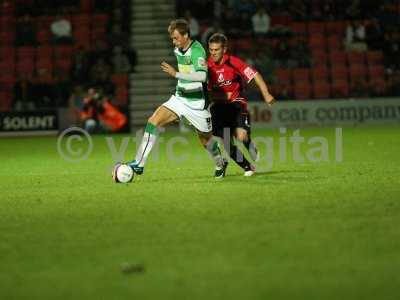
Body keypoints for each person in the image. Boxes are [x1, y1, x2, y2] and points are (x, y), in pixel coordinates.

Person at [125, 19, 226, 178]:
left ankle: (220, 162)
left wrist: (176, 74)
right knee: (153, 121)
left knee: (206, 140)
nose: (173, 41)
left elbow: (202, 75)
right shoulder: (178, 49)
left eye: (176, 38)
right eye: (172, 38)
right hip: (179, 99)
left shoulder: (197, 50)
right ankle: (139, 164)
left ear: (186, 35)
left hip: (197, 105)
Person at [207, 33, 275, 176]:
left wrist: (266, 94)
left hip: (236, 104)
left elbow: (255, 75)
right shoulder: (206, 66)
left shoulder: (233, 62)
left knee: (241, 135)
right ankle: (248, 167)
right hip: (219, 107)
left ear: (224, 49)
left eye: (216, 50)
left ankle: (249, 144)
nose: (213, 53)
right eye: (211, 50)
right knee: (226, 142)